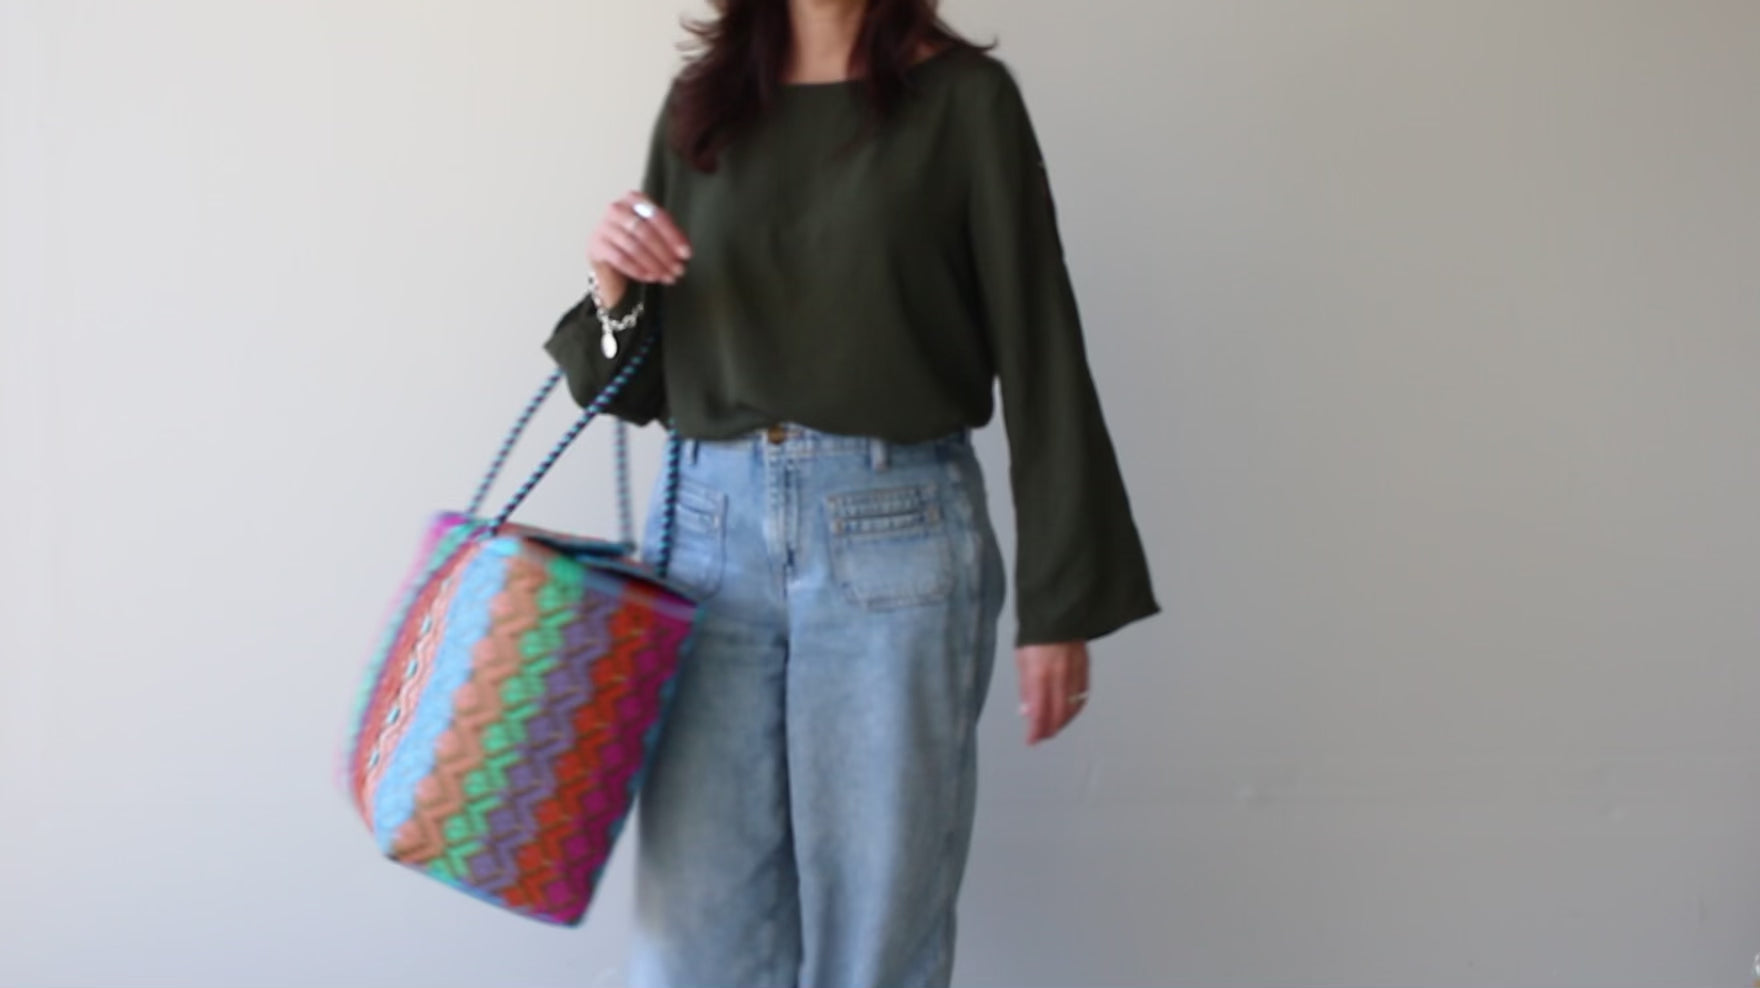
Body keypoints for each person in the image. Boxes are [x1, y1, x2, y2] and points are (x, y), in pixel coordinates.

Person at [540, 1, 1160, 984]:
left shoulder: (963, 103)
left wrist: (1059, 601)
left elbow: (1037, 342)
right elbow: (641, 382)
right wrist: (613, 288)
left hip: (894, 536)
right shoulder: (699, 109)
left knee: (876, 945)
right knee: (691, 947)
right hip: (704, 539)